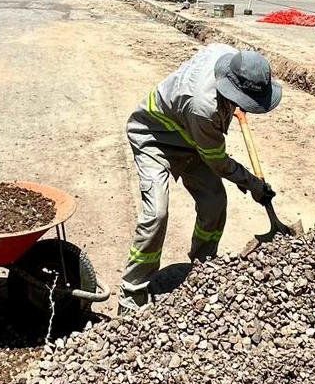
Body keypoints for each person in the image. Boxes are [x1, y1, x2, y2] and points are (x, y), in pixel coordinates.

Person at [119, 44, 281, 314]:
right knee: (157, 213)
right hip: (155, 136)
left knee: (214, 202)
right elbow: (218, 163)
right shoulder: (203, 108)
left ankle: (203, 268)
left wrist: (233, 104)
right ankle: (132, 294)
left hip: (190, 134)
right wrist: (252, 184)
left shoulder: (226, 55)